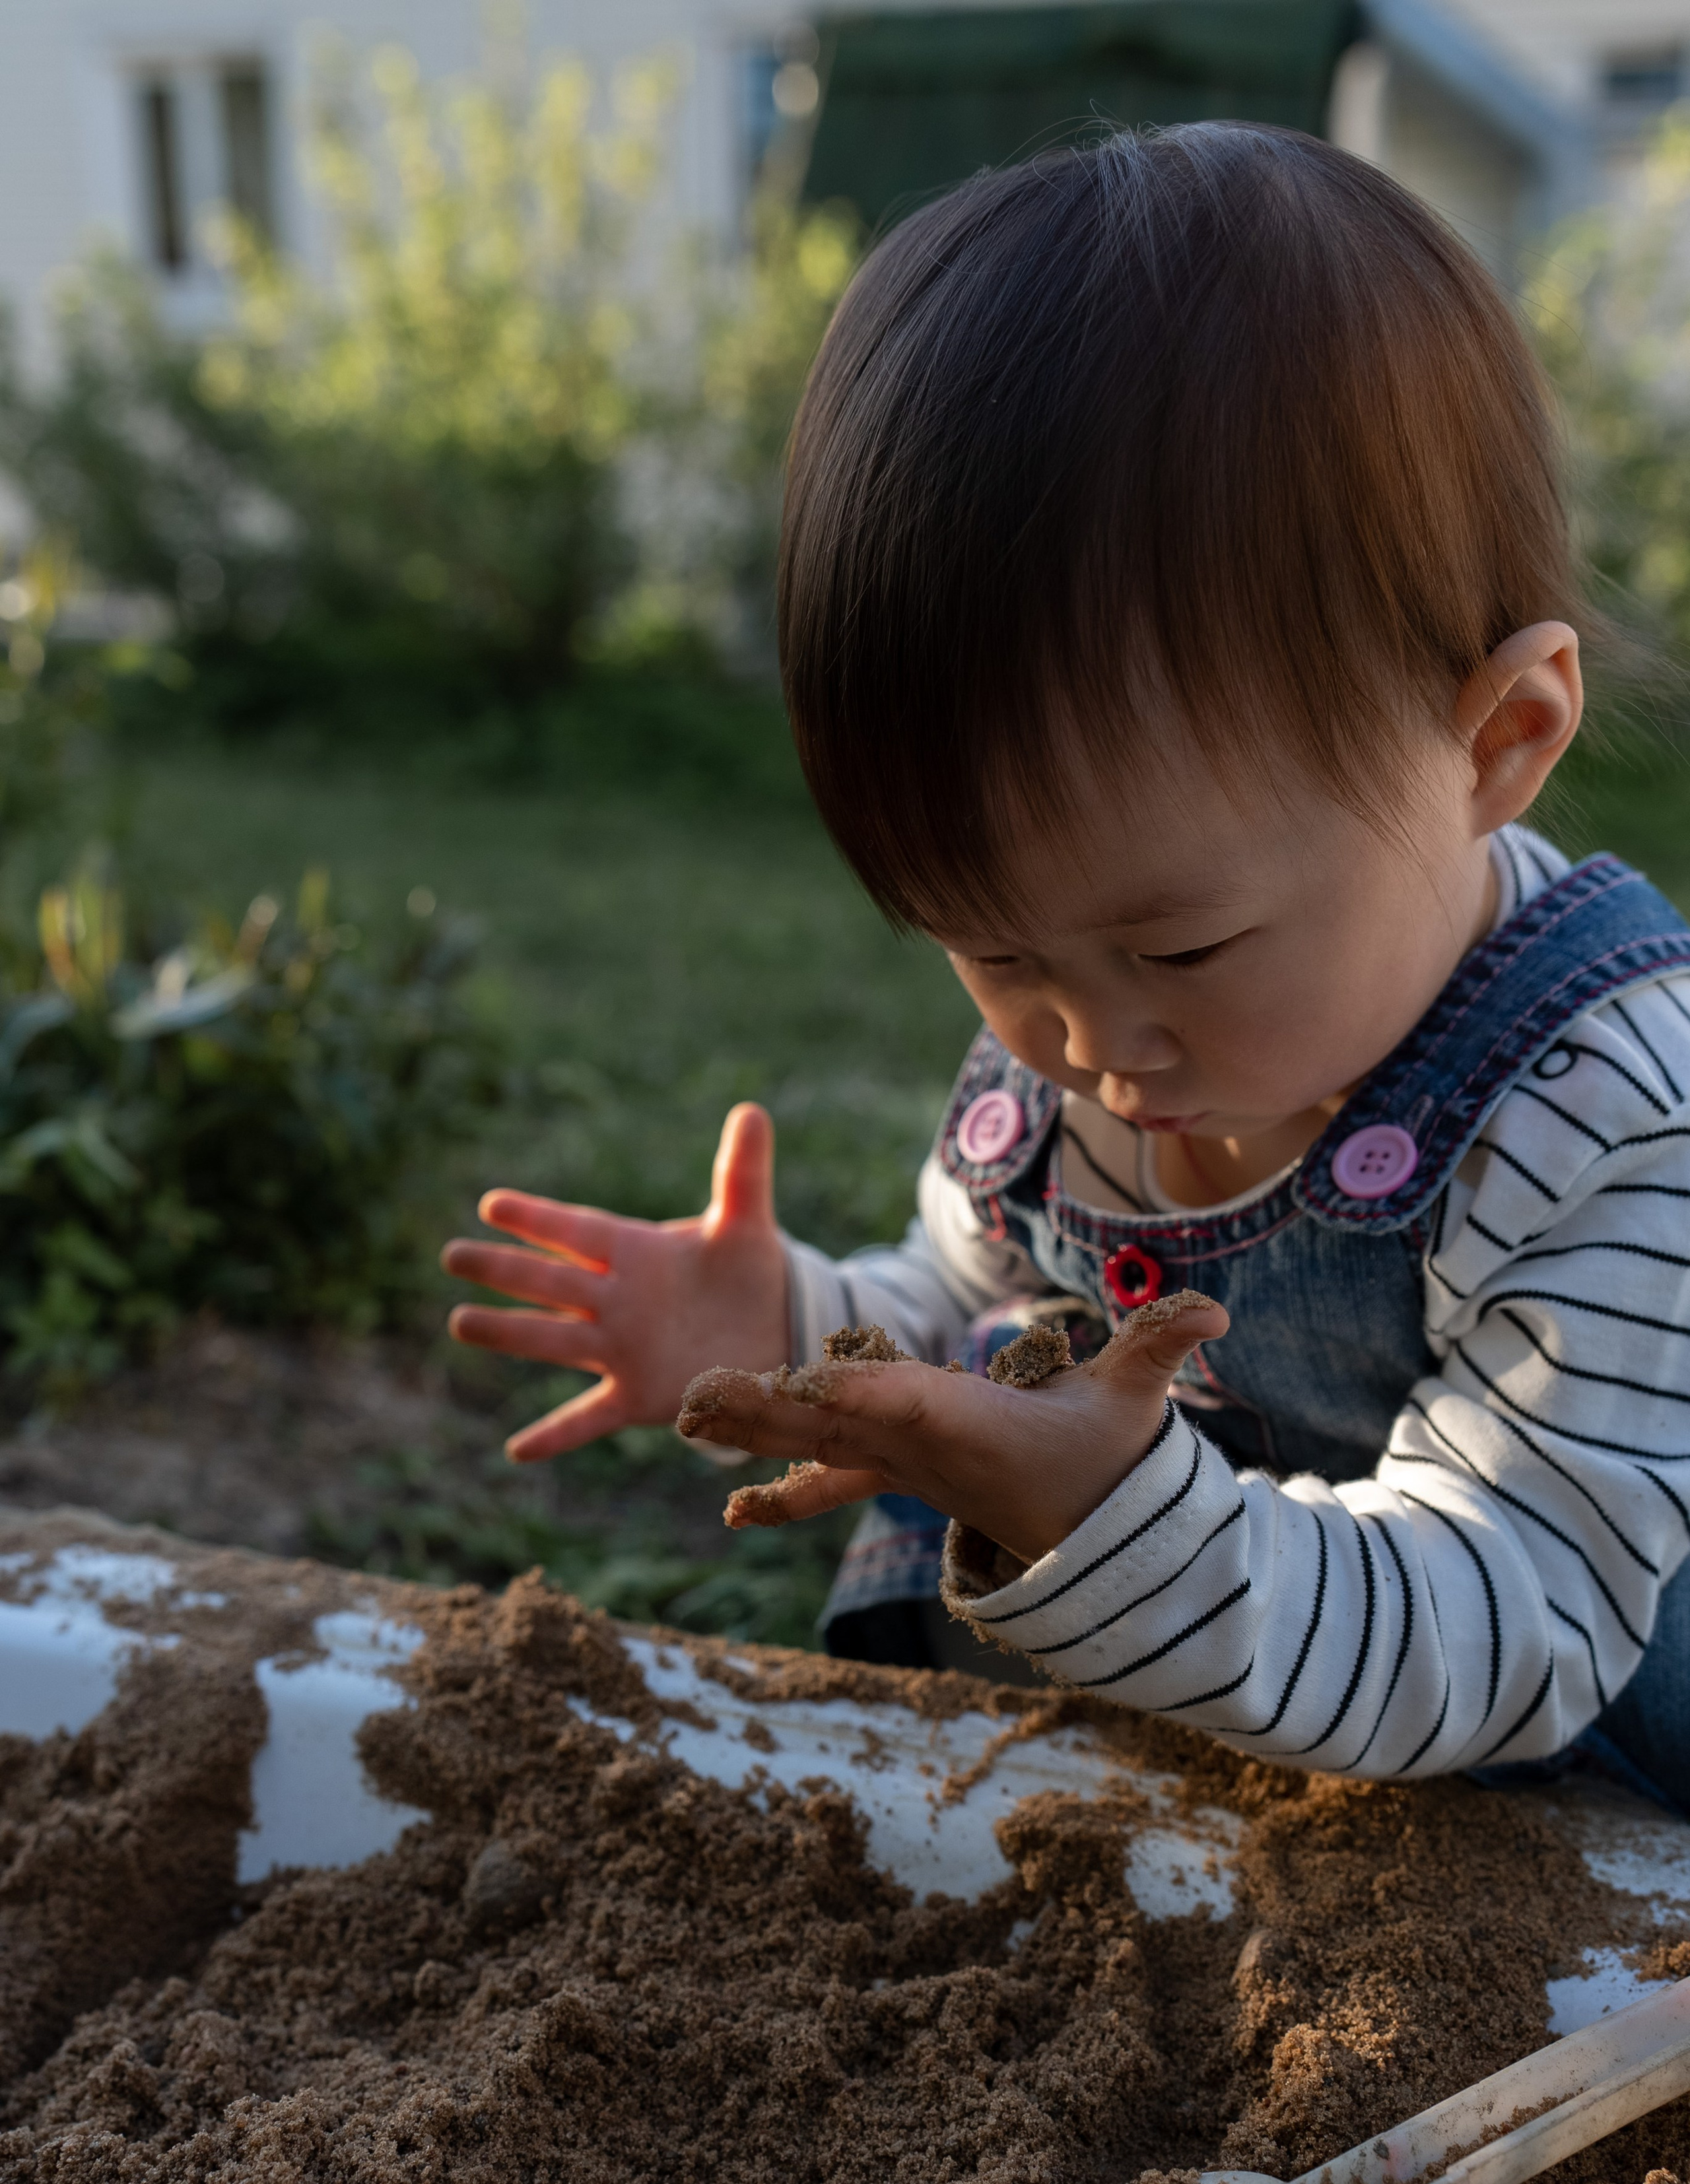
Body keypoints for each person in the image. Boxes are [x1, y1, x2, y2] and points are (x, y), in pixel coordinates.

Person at [444, 123, 1690, 1806]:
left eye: (1178, 943)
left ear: (1494, 741)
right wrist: (810, 1326)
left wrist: (1114, 1523)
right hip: (1202, 1759)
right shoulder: (1083, 1054)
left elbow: (1512, 1607)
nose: (1095, 1043)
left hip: (1554, 1812)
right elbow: (976, 1321)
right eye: (990, 944)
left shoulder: (1612, 1120)